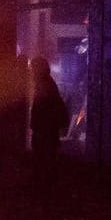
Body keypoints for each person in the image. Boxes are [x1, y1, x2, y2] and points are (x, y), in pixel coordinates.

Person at [28, 56, 68, 198]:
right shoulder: (47, 84)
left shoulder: (44, 85)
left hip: (45, 132)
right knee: (47, 160)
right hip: (47, 131)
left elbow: (42, 110)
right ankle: (47, 191)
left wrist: (37, 128)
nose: (30, 71)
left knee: (44, 160)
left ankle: (45, 192)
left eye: (32, 68)